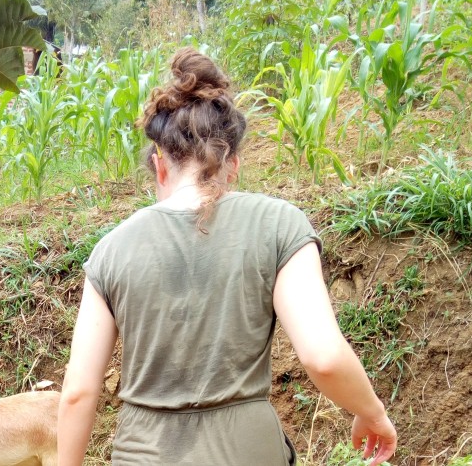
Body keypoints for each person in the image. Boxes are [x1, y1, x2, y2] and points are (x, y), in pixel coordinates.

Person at [57, 48, 397, 465]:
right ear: (231, 164)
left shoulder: (112, 249)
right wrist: (371, 412)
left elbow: (77, 393)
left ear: (159, 164)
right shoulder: (279, 224)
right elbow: (323, 357)